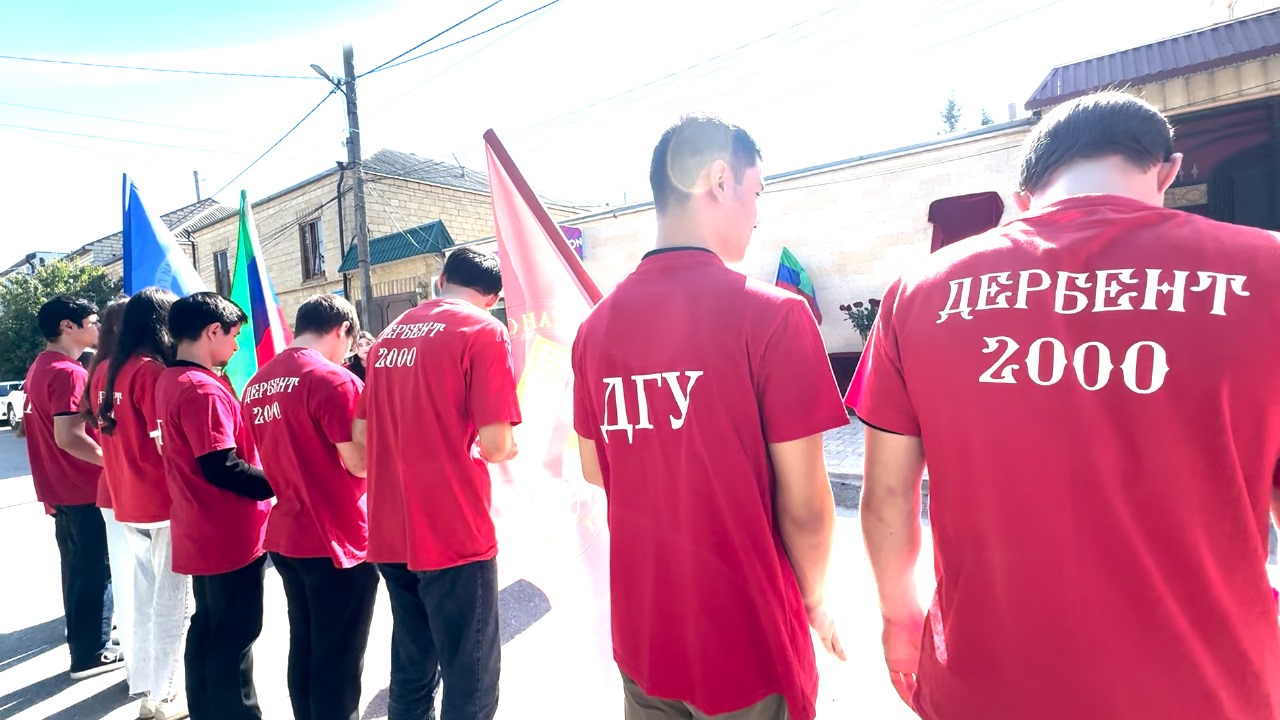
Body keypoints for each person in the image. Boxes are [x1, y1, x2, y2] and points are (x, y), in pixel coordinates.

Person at [853, 91, 1280, 719]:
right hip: (1210, 685)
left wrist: (898, 619)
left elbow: (887, 496)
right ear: (1167, 171)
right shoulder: (1267, 271)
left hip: (989, 685)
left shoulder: (918, 292)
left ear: (1023, 196)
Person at [570, 115, 848, 720]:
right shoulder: (775, 316)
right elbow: (806, 506)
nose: (757, 215)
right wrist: (814, 599)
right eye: (757, 192)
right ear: (721, 180)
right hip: (747, 644)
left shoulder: (594, 330)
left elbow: (595, 468)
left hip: (645, 637)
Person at [352, 247, 520, 720]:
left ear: (442, 278)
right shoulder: (483, 330)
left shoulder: (389, 336)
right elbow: (496, 445)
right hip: (453, 528)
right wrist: (506, 448)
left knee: (412, 665)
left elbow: (362, 435)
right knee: (470, 674)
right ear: (493, 297)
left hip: (391, 526)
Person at [242, 294, 377, 720]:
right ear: (343, 329)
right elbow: (359, 461)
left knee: (306, 644)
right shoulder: (332, 380)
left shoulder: (258, 383)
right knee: (339, 658)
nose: (348, 353)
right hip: (337, 536)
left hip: (289, 532)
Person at [155, 292, 272, 720]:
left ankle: (206, 710)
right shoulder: (202, 388)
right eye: (234, 336)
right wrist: (282, 483)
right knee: (235, 635)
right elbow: (222, 466)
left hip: (198, 524)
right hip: (227, 530)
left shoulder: (169, 379)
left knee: (208, 628)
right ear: (213, 331)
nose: (237, 346)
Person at [96, 287, 191, 720]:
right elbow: (165, 443)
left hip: (127, 500)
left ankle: (149, 685)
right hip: (160, 502)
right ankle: (164, 694)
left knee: (147, 599)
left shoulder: (106, 371)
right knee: (174, 603)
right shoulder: (151, 372)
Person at [24, 296, 122, 679]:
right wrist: (114, 463)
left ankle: (86, 638)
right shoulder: (68, 373)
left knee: (78, 568)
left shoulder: (40, 366)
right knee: (95, 570)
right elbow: (68, 436)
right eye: (93, 321)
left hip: (60, 488)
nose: (99, 327)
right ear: (68, 326)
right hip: (83, 487)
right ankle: (91, 653)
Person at [79, 296, 134, 684]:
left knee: (127, 585)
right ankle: (150, 677)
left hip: (112, 489)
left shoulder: (99, 370)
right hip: (136, 492)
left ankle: (137, 668)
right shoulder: (137, 370)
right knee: (146, 589)